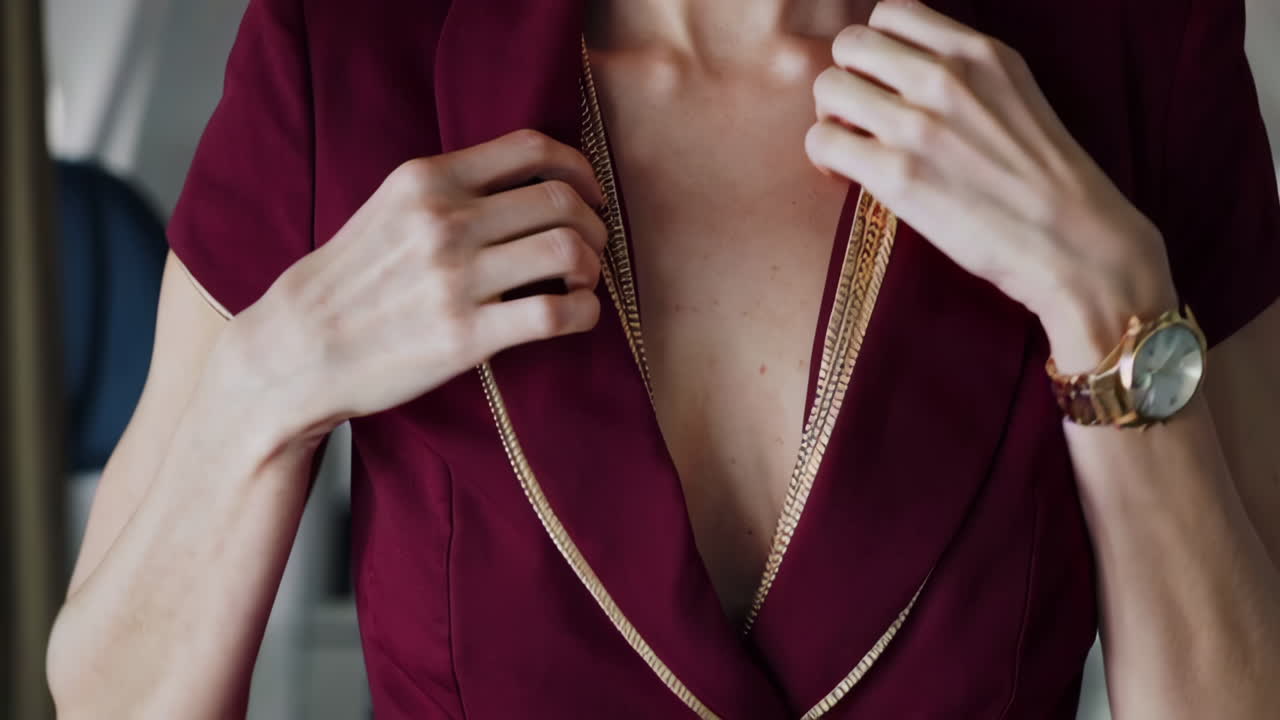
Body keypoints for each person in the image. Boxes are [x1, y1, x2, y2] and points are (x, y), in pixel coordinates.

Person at [45, 0, 1280, 717]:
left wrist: (1108, 305)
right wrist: (271, 384)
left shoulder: (1134, 53)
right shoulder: (347, 46)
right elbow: (107, 698)